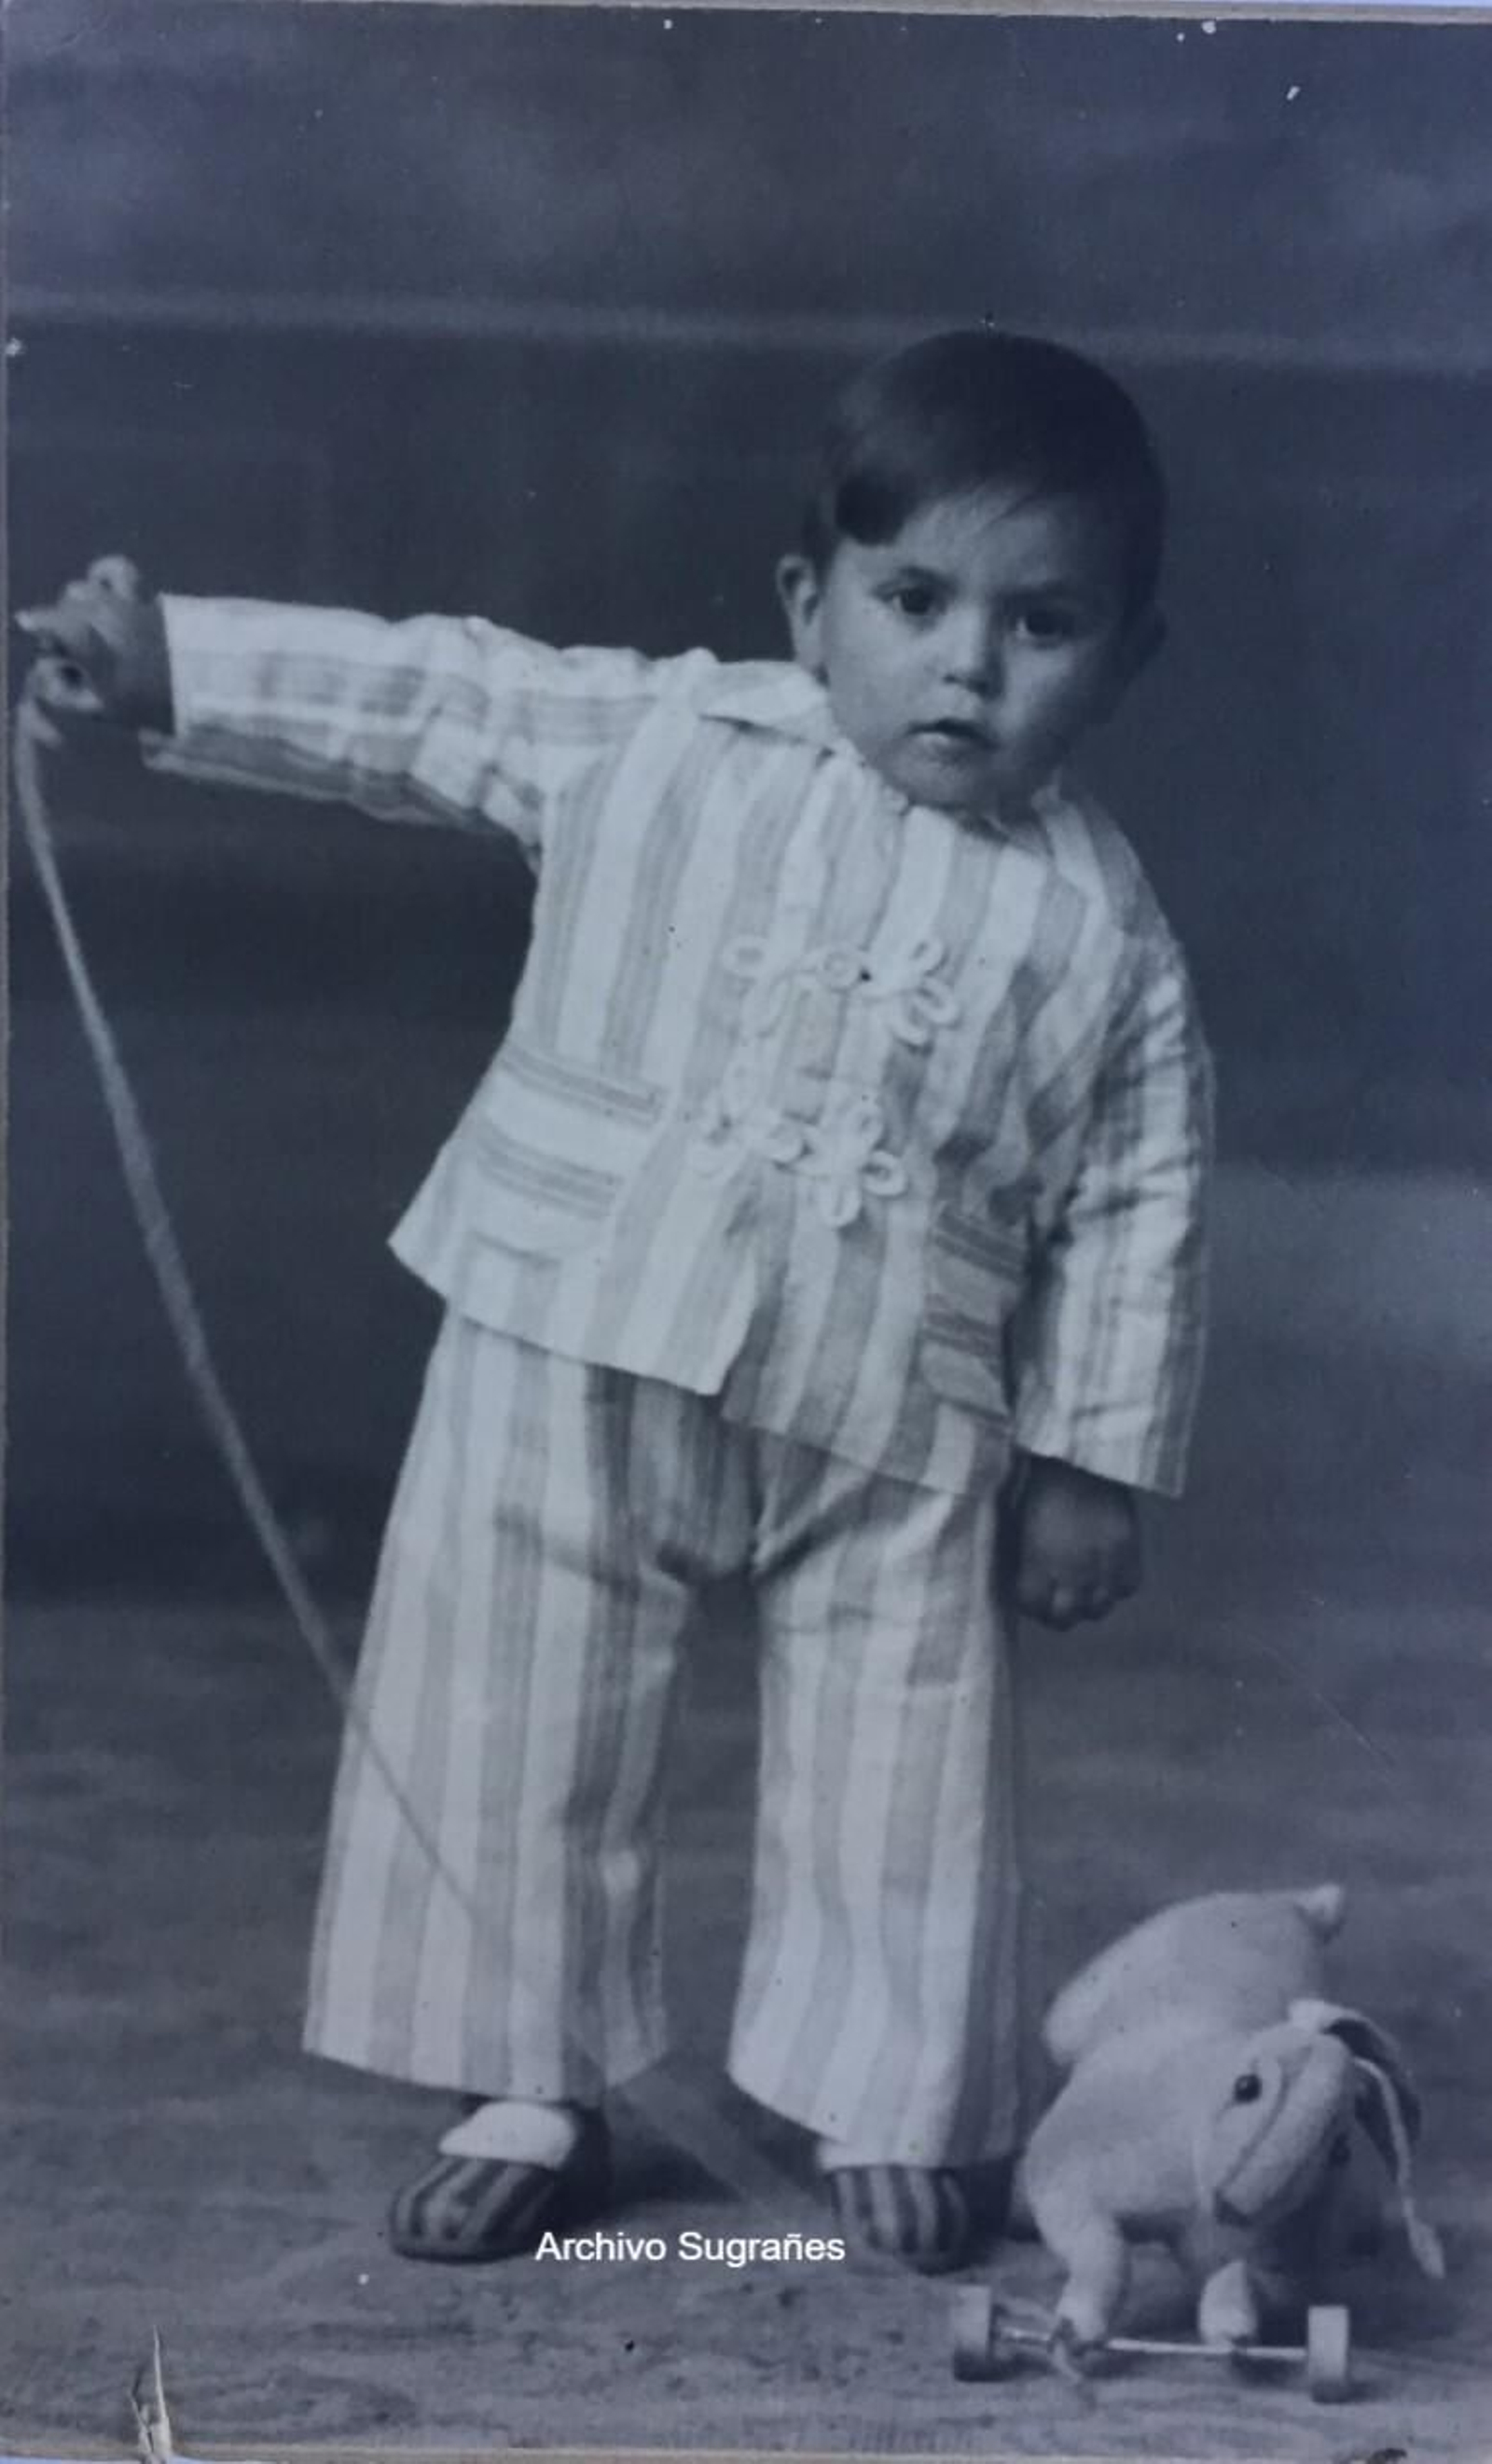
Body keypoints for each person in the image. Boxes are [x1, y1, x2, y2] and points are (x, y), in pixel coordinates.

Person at [21, 328, 1211, 2276]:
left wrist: (1091, 1453)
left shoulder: (1100, 930)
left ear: (1127, 662)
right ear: (807, 607)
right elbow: (430, 694)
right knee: (513, 1686)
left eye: (1041, 622)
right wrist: (184, 669)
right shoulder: (659, 742)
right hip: (575, 1306)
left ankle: (891, 2091)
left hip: (894, 1389)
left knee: (903, 1736)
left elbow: (1137, 1192)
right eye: (912, 600)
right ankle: (523, 2075)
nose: (964, 666)